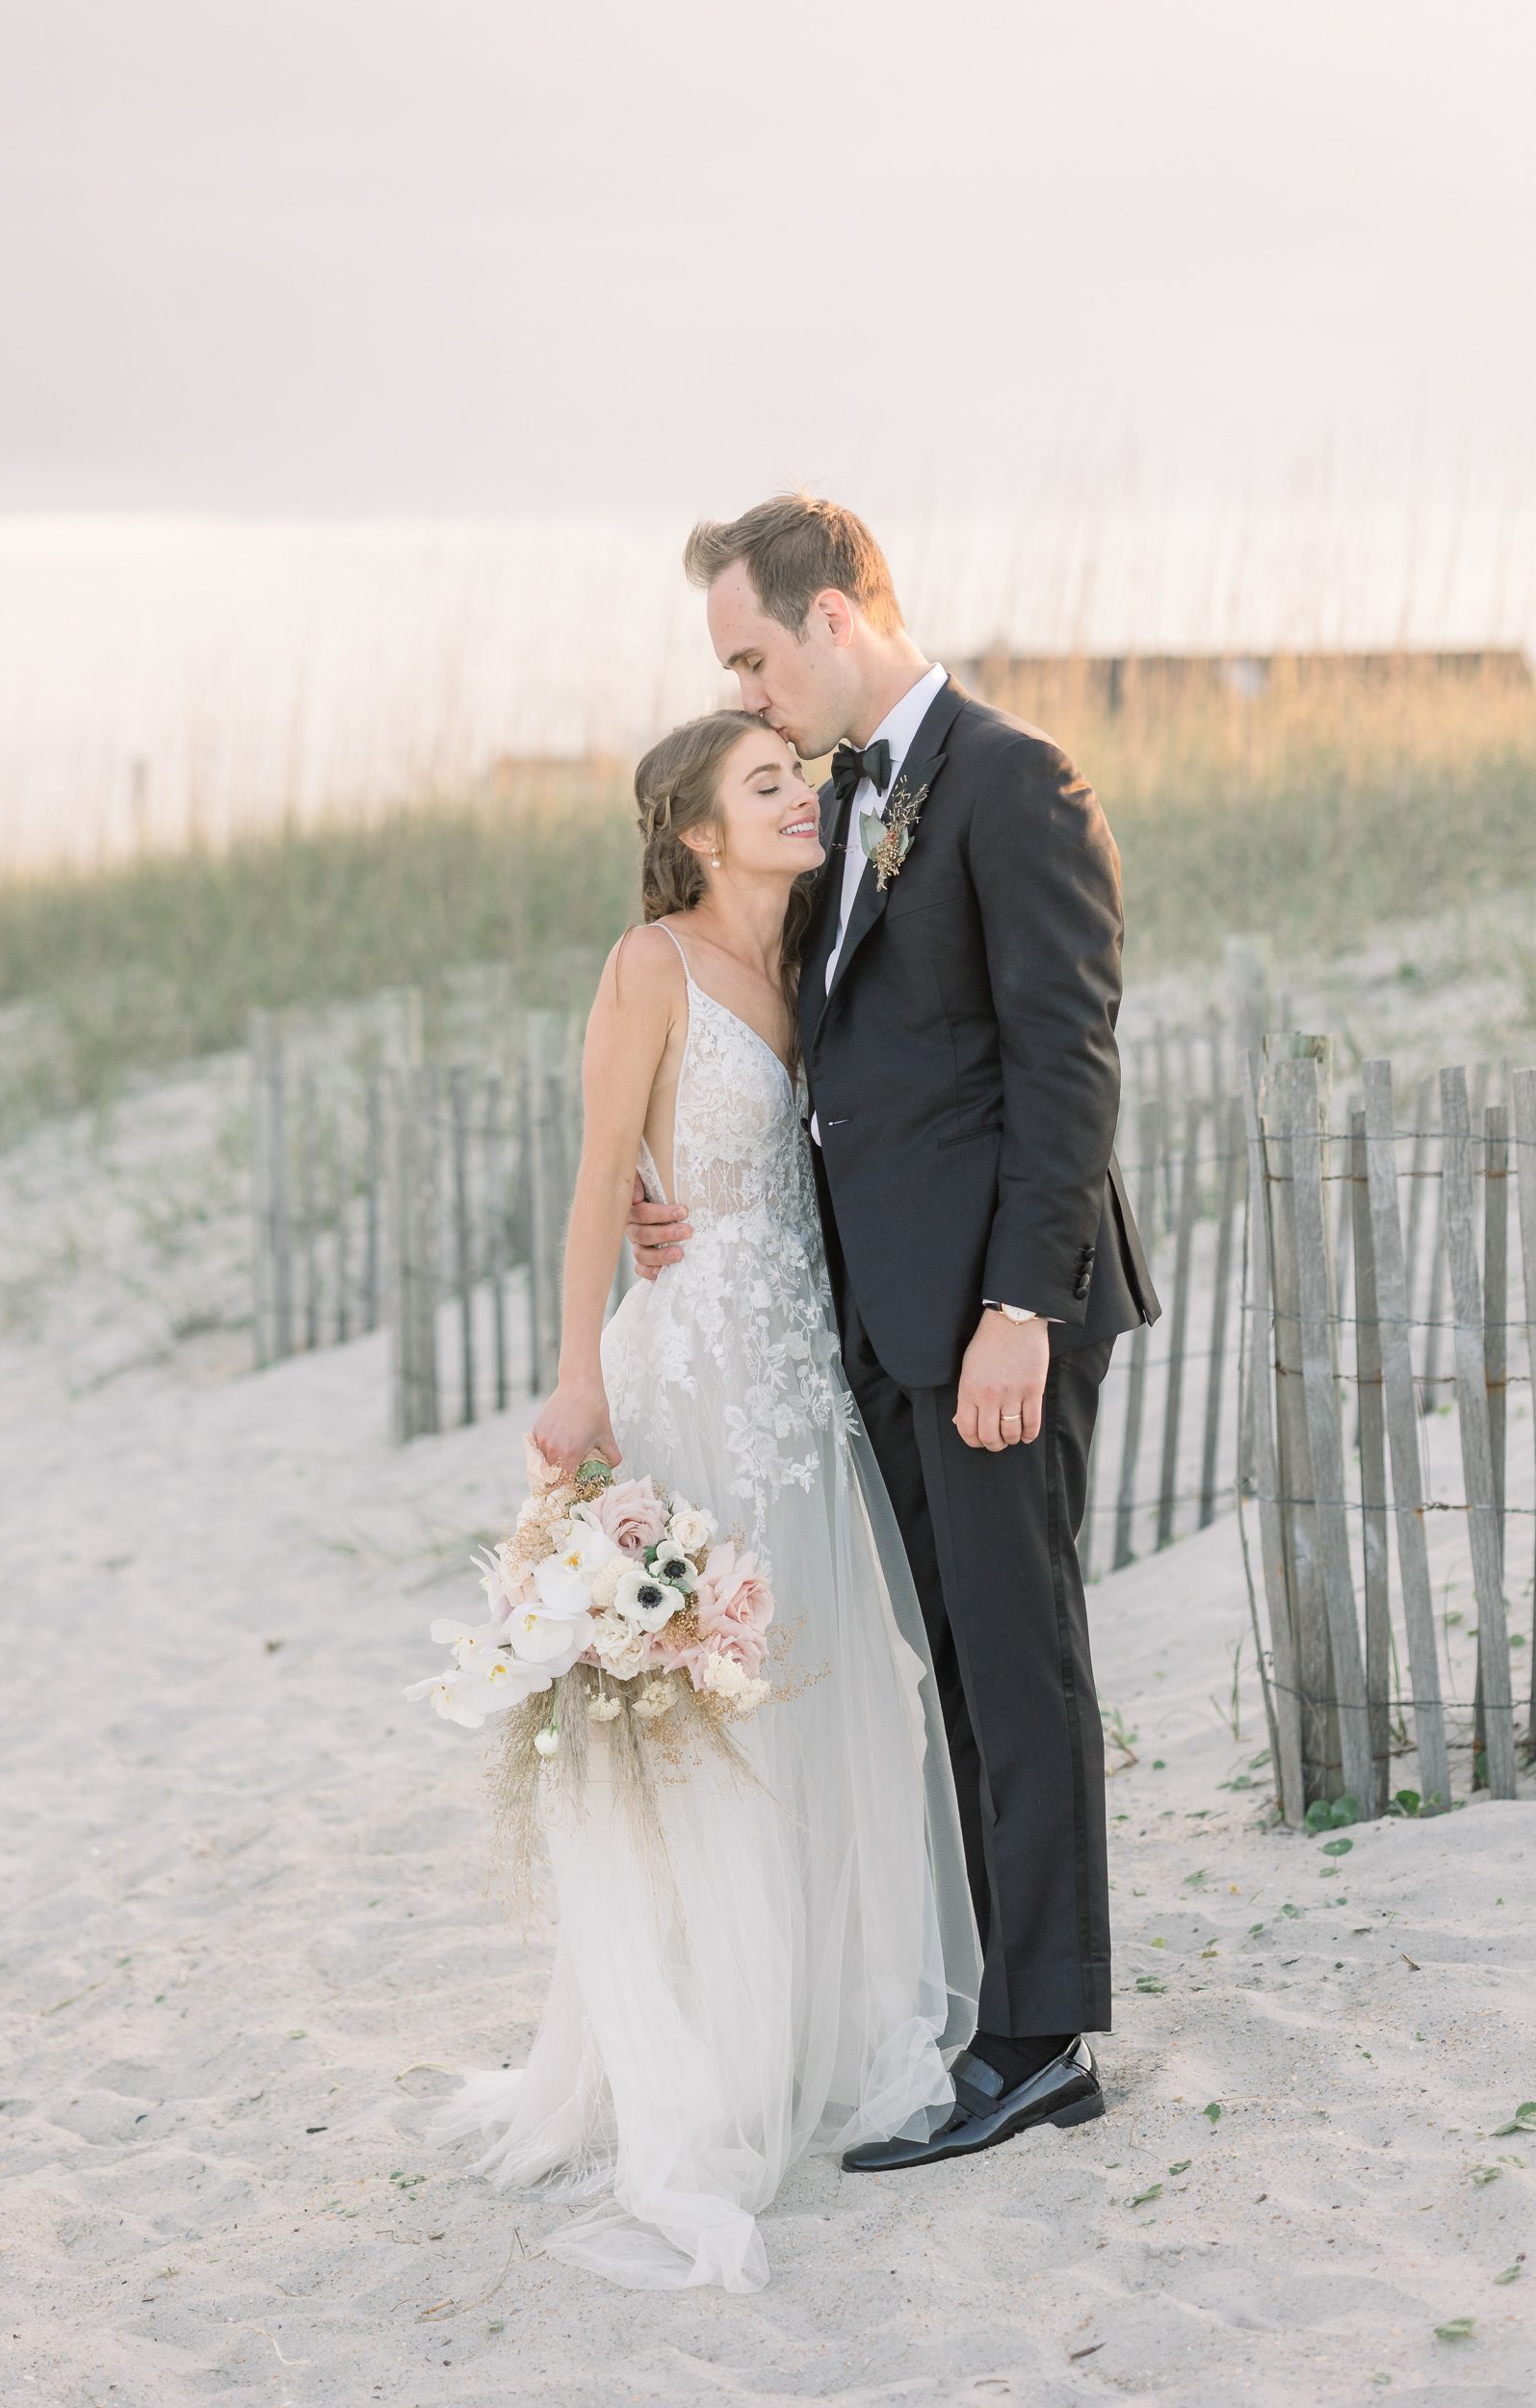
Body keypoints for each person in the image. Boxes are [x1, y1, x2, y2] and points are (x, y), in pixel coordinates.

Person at [627, 494, 1159, 2176]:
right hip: (886, 1314)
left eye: (756, 656)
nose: (752, 695)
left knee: (1018, 1652)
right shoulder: (852, 798)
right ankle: (997, 1993)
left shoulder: (1013, 781)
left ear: (838, 617)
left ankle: (1045, 2036)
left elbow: (1066, 1063)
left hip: (1000, 1313)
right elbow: (828, 1063)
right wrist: (696, 1205)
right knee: (951, 1663)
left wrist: (1022, 1306)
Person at [430, 708, 986, 2292]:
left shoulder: (816, 957)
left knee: (831, 1679)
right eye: (767, 784)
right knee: (717, 1707)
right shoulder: (649, 965)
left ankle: (836, 2020)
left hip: (809, 1377)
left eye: (797, 775)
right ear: (694, 829)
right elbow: (603, 1175)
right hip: (690, 1371)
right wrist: (575, 1385)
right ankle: (715, 2056)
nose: (801, 796)